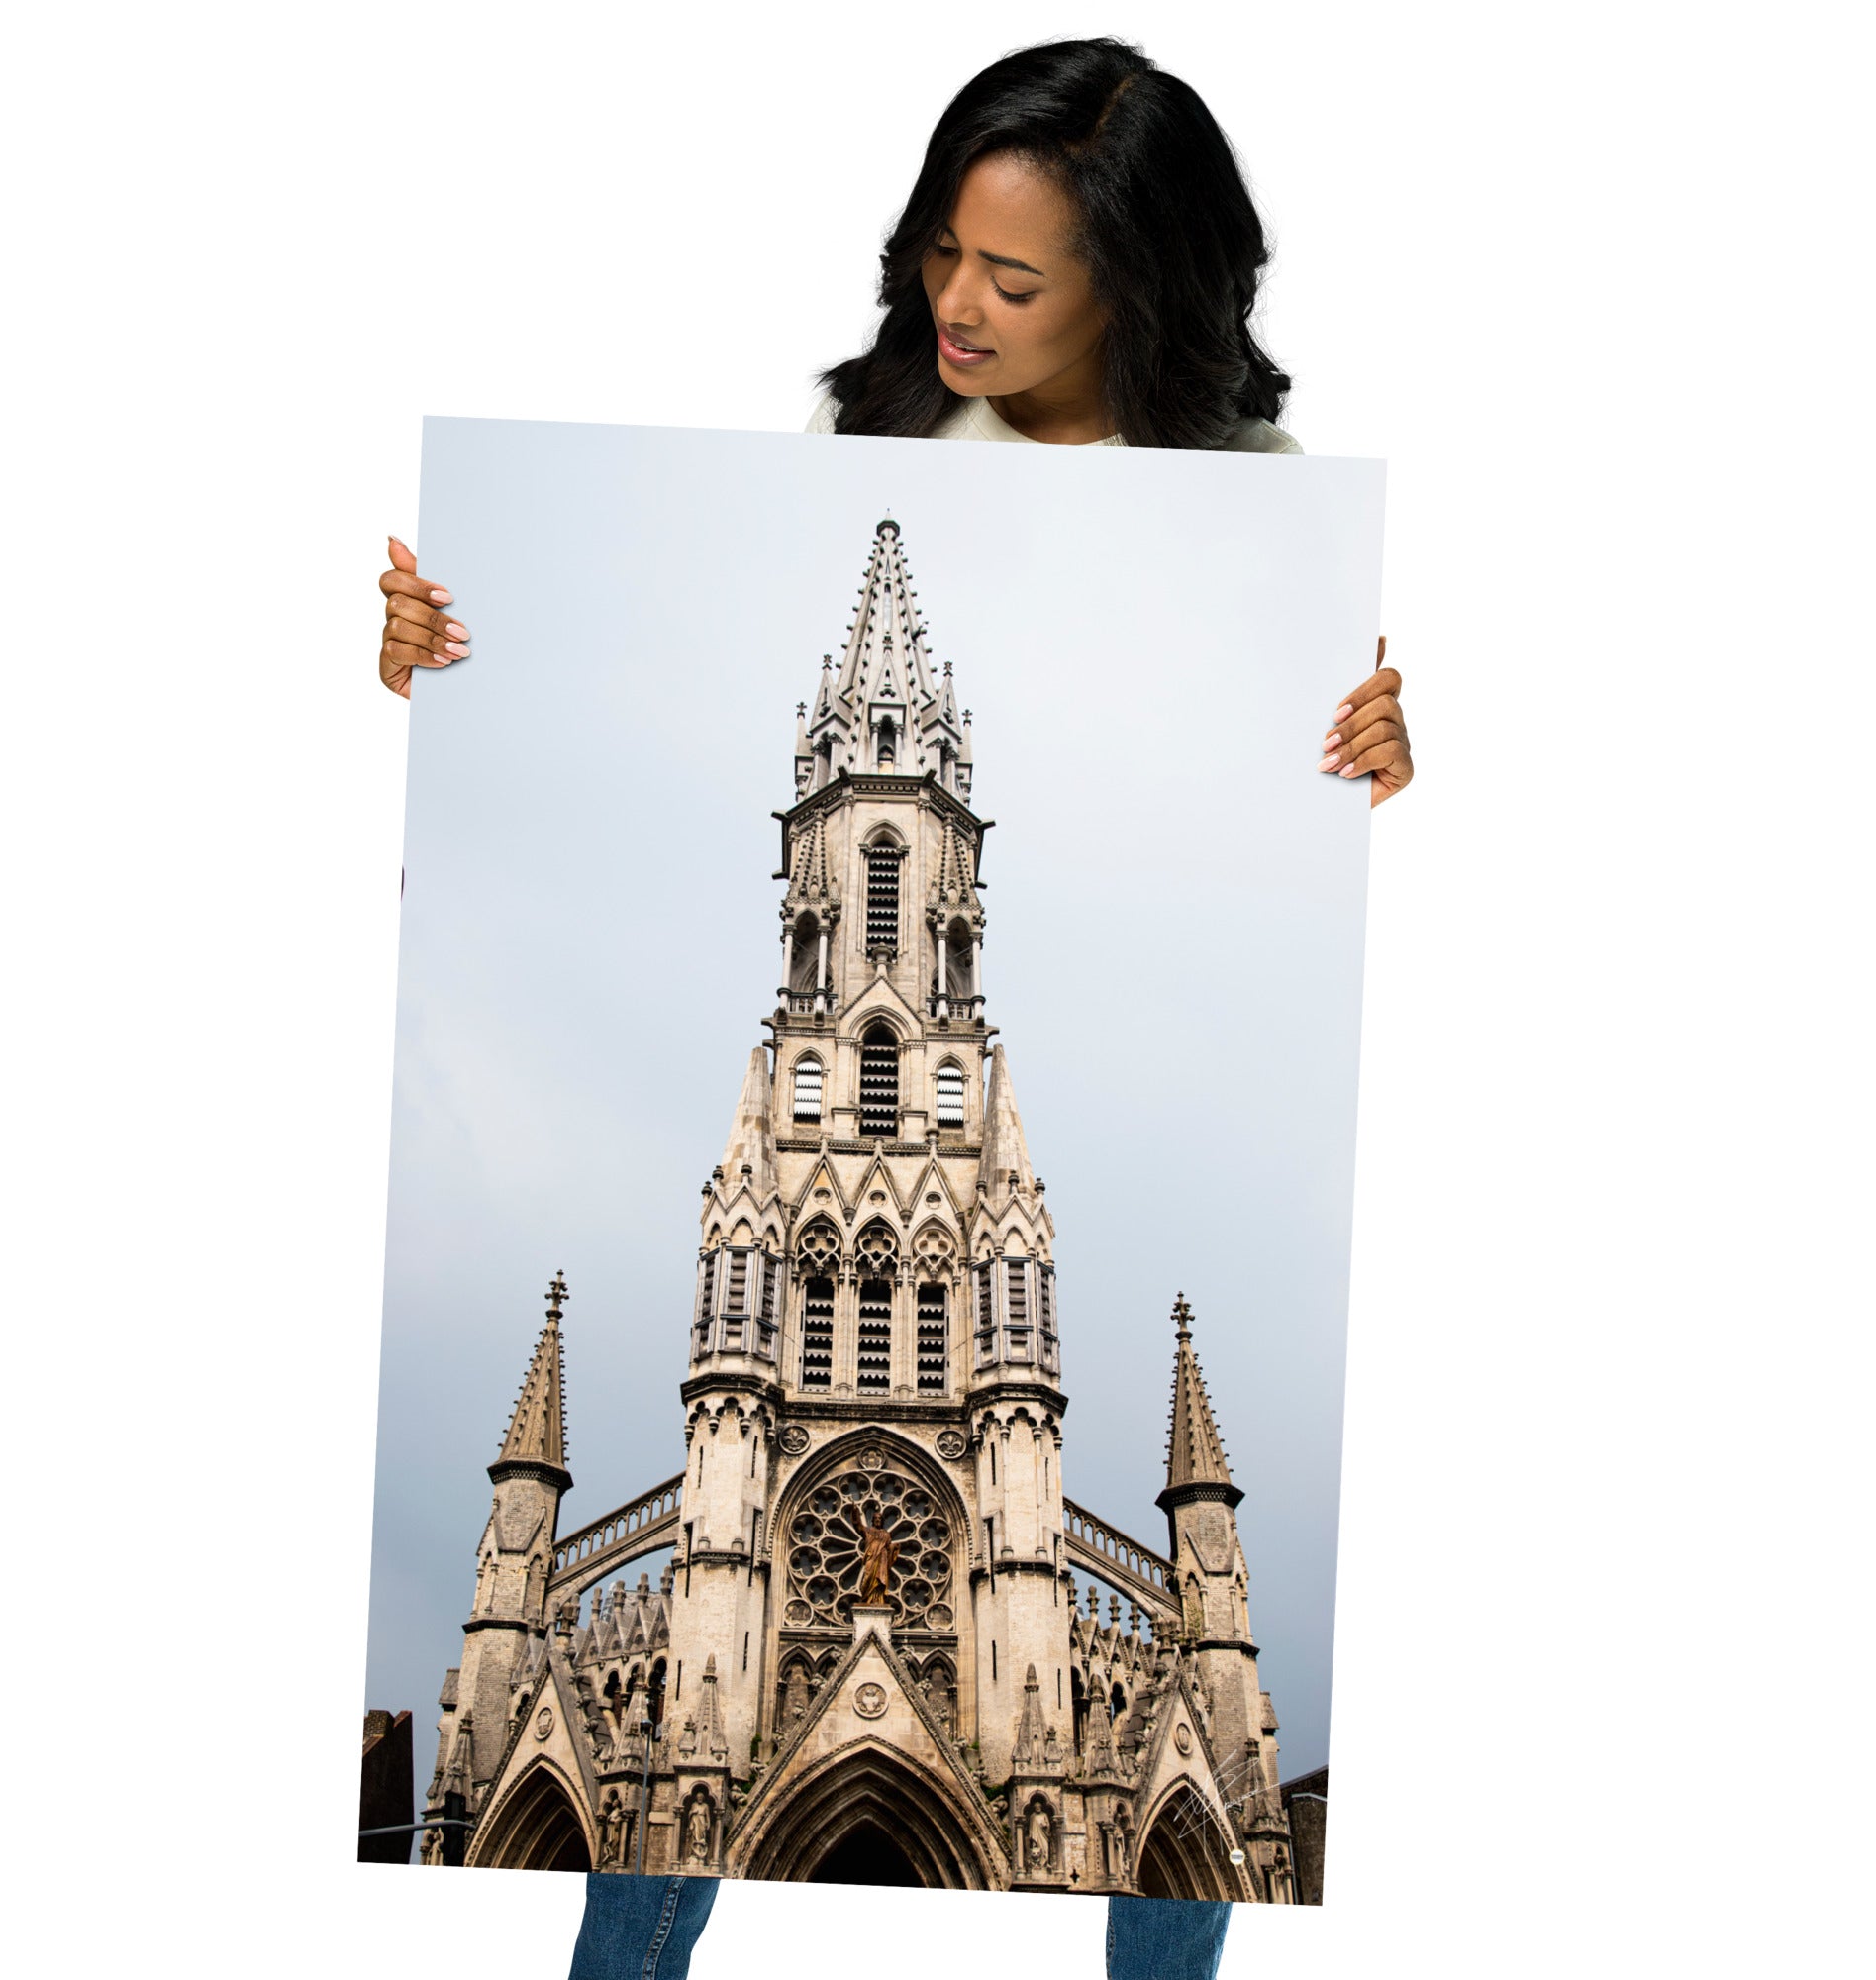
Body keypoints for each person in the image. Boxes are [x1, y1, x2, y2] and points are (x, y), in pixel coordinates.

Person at [377, 36, 1410, 1980]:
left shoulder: (1247, 484)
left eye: (1015, 283)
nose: (959, 305)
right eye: (943, 252)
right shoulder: (842, 416)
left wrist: (1416, 750)